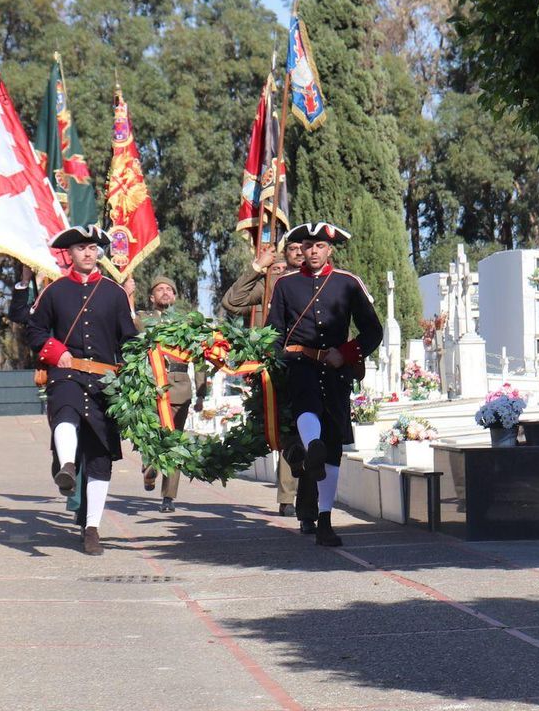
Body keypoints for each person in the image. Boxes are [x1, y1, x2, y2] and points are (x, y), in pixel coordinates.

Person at [266, 222, 383, 546]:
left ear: (329, 249)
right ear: (300, 250)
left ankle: (326, 520)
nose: (313, 251)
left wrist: (345, 354)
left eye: (319, 246)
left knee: (333, 448)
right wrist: (277, 363)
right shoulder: (286, 286)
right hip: (299, 364)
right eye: (308, 246)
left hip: (336, 372)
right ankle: (310, 447)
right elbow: (273, 332)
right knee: (306, 406)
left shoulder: (347, 283)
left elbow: (373, 331)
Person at [25, 225, 137, 556]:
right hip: (65, 373)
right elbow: (34, 329)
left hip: (104, 382)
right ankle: (68, 466)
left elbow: (128, 339)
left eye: (92, 248)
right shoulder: (54, 291)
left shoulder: (115, 293)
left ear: (99, 253)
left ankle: (91, 528)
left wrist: (135, 371)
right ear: (69, 255)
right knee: (66, 412)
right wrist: (54, 351)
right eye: (80, 249)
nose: (87, 254)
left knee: (101, 458)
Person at [221, 240, 306, 521]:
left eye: (299, 248)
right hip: (277, 365)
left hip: (311, 362)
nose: (295, 252)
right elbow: (232, 303)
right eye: (290, 248)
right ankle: (287, 496)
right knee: (287, 429)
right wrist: (257, 268)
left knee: (310, 429)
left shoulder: (316, 282)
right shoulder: (270, 286)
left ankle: (308, 493)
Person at [138, 275, 204, 512]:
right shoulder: (142, 319)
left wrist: (202, 392)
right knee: (151, 436)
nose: (165, 292)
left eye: (169, 289)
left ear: (175, 296)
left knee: (174, 442)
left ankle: (168, 497)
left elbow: (198, 356)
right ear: (151, 297)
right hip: (149, 386)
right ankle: (149, 466)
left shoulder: (186, 321)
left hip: (179, 387)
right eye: (160, 289)